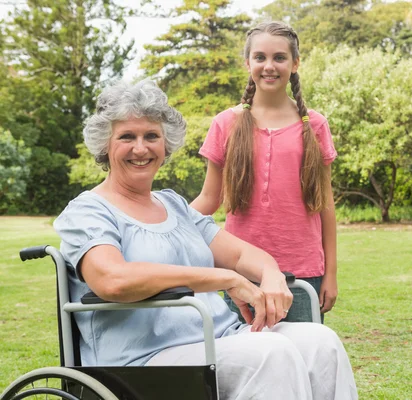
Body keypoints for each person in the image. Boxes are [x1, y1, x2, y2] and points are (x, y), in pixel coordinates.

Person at [53, 79, 358, 400]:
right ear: (105, 145)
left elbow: (242, 256)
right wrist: (220, 278)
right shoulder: (89, 210)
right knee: (271, 351)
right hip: (141, 360)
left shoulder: (174, 205)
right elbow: (112, 280)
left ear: (165, 144)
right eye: (127, 137)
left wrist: (270, 274)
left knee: (320, 342)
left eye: (151, 136)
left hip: (217, 338)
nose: (140, 148)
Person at [191, 21, 338, 323]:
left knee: (302, 362)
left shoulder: (315, 125)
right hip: (241, 275)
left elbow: (325, 204)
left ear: (295, 63)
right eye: (260, 57)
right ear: (247, 63)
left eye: (279, 58)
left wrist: (331, 275)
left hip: (303, 274)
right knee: (247, 362)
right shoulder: (225, 124)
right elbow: (209, 198)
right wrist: (164, 222)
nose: (269, 66)